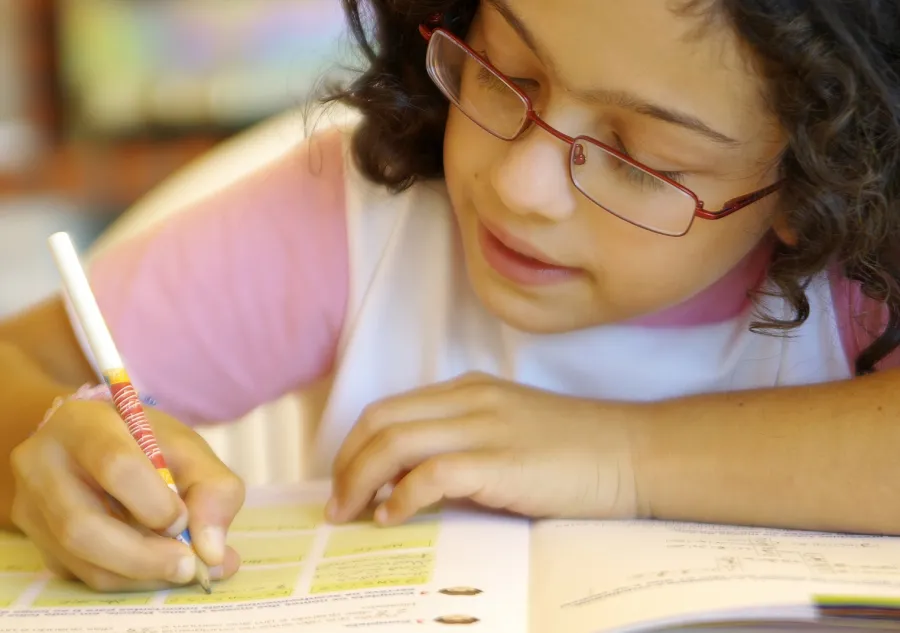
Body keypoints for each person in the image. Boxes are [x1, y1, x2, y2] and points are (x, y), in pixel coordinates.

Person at [0, 0, 897, 594]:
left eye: (639, 160)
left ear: (815, 181)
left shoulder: (861, 274)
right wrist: (51, 452)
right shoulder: (354, 215)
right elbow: (21, 365)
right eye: (506, 74)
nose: (520, 185)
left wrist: (618, 456)